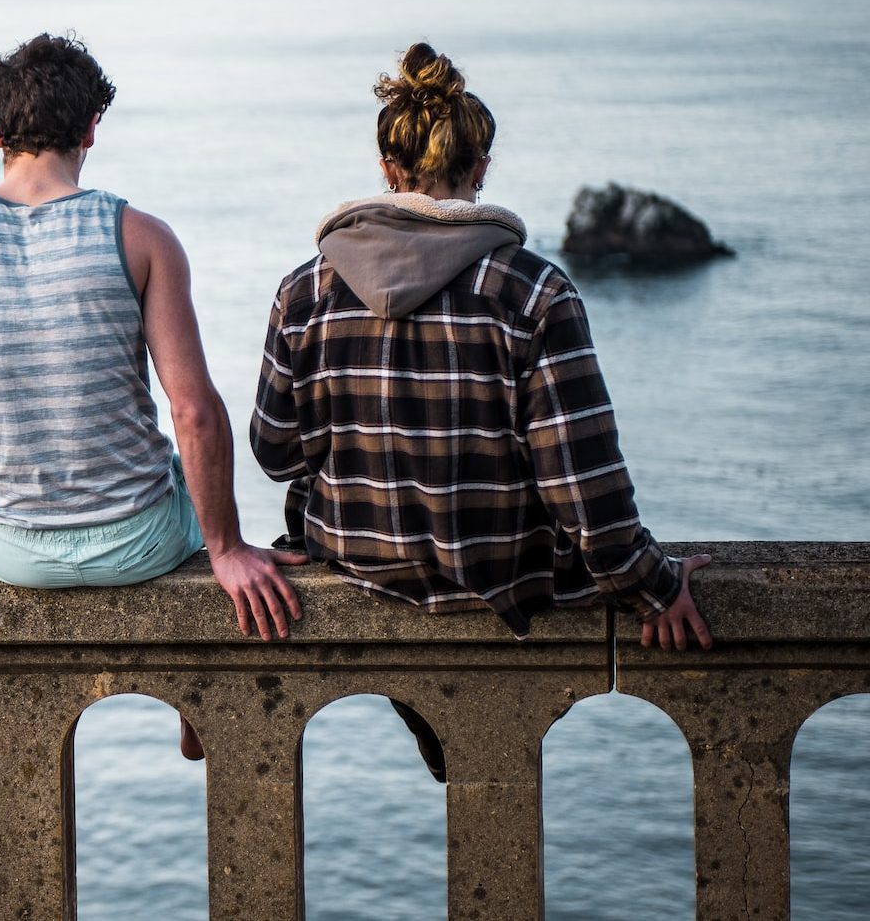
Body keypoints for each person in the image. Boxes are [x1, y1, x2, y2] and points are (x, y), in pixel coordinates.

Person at [249, 43, 713, 778]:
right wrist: (656, 584)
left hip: (360, 560)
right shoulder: (533, 292)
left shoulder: (305, 292)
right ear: (480, 171)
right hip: (503, 573)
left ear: (389, 173)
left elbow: (276, 454)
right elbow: (581, 483)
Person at [0, 33, 304, 760]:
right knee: (177, 482)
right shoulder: (141, 236)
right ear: (92, 129)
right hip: (141, 540)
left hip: (8, 551)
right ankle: (192, 701)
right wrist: (227, 547)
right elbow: (194, 413)